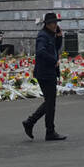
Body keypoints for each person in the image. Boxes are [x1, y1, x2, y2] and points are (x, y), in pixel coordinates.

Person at [22, 12, 66, 141]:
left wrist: (59, 37)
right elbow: (40, 52)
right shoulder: (43, 36)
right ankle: (46, 130)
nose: (55, 25)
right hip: (45, 73)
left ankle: (33, 123)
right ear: (48, 24)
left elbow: (56, 49)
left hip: (49, 72)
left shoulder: (51, 35)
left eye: (56, 23)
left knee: (50, 102)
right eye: (53, 23)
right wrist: (53, 61)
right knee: (50, 102)